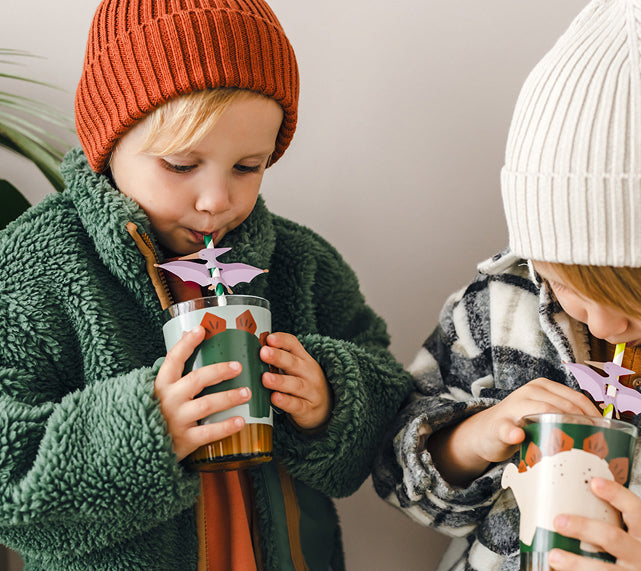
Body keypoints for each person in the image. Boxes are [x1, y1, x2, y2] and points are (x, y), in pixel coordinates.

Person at [372, 0, 641, 569]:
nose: (600, 324)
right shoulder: (498, 307)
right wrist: (471, 441)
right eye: (566, 284)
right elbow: (397, 478)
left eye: (637, 300)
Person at [0, 0, 412, 569]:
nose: (218, 200)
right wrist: (142, 431)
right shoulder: (37, 270)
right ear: (109, 143)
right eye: (179, 164)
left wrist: (332, 398)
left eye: (248, 166)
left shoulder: (299, 263)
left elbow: (392, 399)